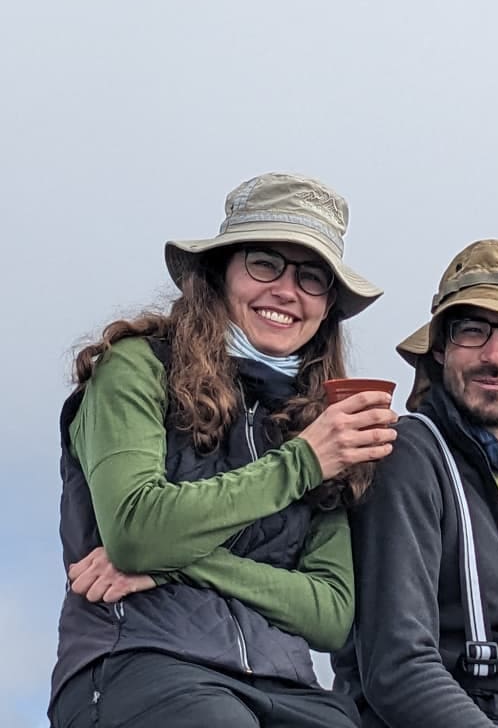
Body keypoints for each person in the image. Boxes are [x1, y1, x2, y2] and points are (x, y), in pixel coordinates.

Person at [49, 171, 398, 728]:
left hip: (288, 684)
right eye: (264, 263)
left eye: (312, 278)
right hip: (139, 660)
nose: (286, 290)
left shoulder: (319, 422)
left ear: (327, 306)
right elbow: (138, 532)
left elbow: (331, 612)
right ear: (218, 273)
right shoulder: (137, 367)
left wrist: (177, 564)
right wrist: (302, 464)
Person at [332, 239, 498, 728]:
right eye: (472, 331)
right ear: (440, 349)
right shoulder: (405, 456)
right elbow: (396, 671)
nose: (495, 354)